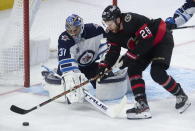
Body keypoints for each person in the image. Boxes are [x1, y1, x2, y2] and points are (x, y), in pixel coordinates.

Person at [98, 5, 191, 119]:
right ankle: (142, 105)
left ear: (118, 19)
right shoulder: (112, 33)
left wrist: (128, 56)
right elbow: (113, 51)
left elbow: (147, 39)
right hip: (143, 47)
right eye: (106, 23)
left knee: (157, 73)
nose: (109, 26)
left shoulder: (131, 20)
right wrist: (104, 65)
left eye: (110, 23)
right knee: (133, 70)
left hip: (160, 40)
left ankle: (180, 94)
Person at [42, 14, 129, 104]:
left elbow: (107, 50)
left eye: (75, 30)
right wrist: (72, 75)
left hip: (90, 66)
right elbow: (65, 60)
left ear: (82, 26)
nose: (73, 33)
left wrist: (107, 63)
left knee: (105, 80)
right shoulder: (64, 38)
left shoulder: (95, 30)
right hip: (73, 67)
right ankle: (47, 80)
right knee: (69, 82)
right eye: (70, 30)